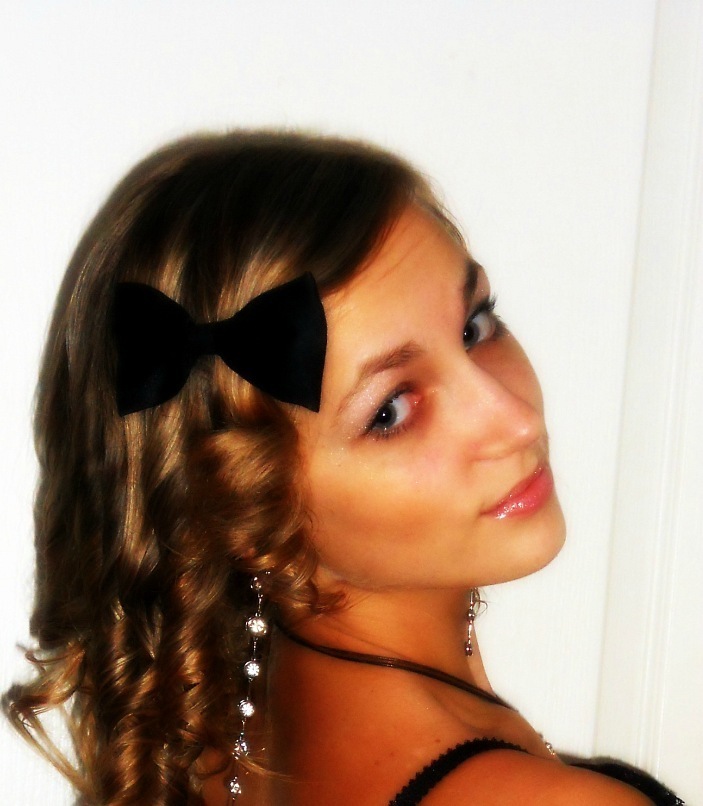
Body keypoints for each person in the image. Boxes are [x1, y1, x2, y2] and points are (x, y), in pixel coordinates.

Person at [4, 131, 682, 805]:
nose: (516, 420)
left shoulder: (210, 755)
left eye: (474, 327)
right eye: (390, 410)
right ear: (240, 504)